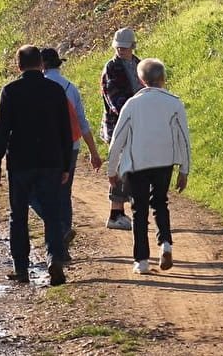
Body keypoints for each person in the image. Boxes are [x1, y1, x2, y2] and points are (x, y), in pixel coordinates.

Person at [0, 45, 73, 287]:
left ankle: (21, 267)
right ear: (41, 64)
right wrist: (66, 164)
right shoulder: (55, 90)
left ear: (18, 66)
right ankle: (54, 257)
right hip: (51, 161)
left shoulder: (10, 91)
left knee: (19, 216)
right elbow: (65, 131)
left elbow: (2, 130)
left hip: (20, 162)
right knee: (52, 212)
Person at [104, 58, 191, 275]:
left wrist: (112, 170)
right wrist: (184, 169)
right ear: (163, 79)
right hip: (165, 162)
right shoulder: (174, 102)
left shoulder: (132, 104)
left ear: (141, 80)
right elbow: (184, 138)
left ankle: (141, 261)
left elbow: (118, 139)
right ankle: (166, 245)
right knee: (160, 202)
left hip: (137, 163)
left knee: (138, 209)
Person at [34, 47, 102, 248]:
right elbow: (82, 123)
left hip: (44, 146)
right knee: (64, 191)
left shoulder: (39, 86)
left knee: (36, 191)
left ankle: (60, 228)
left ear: (42, 65)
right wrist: (93, 152)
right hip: (71, 145)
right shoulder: (70, 88)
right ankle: (63, 236)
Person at [99, 27, 140, 230]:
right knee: (119, 168)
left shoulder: (139, 65)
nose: (121, 51)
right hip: (118, 125)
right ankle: (115, 214)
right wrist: (136, 110)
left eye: (125, 48)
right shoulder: (111, 68)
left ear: (132, 47)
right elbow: (114, 100)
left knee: (134, 168)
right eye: (118, 48)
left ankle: (133, 210)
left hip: (137, 125)